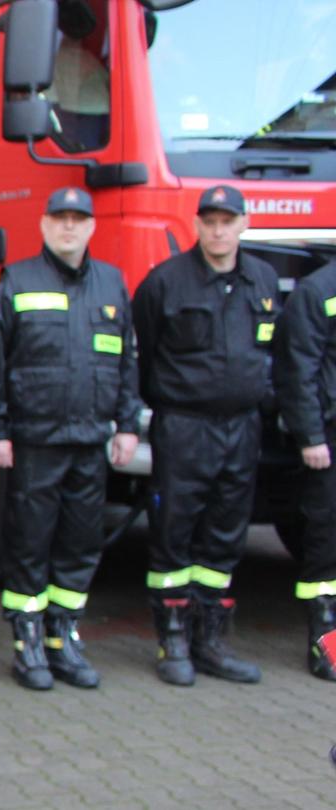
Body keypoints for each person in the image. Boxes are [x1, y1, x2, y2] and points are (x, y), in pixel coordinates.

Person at [0, 186, 142, 691]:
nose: (69, 227)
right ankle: (26, 641)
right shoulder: (18, 280)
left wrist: (129, 424)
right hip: (34, 440)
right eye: (60, 218)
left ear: (92, 227)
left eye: (79, 218)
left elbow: (126, 362)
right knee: (30, 542)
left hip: (91, 440)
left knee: (80, 543)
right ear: (45, 225)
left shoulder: (112, 284)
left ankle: (62, 637)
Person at [134, 184, 277, 686]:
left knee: (225, 536)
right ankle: (172, 641)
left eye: (227, 221)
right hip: (185, 426)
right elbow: (145, 352)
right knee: (174, 533)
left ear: (244, 224)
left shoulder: (262, 279)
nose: (218, 230)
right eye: (209, 221)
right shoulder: (166, 282)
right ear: (196, 225)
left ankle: (210, 640)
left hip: (242, 427)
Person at [275, 257, 336, 682]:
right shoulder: (317, 291)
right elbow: (298, 370)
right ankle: (326, 640)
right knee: (327, 538)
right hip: (330, 437)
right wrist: (311, 436)